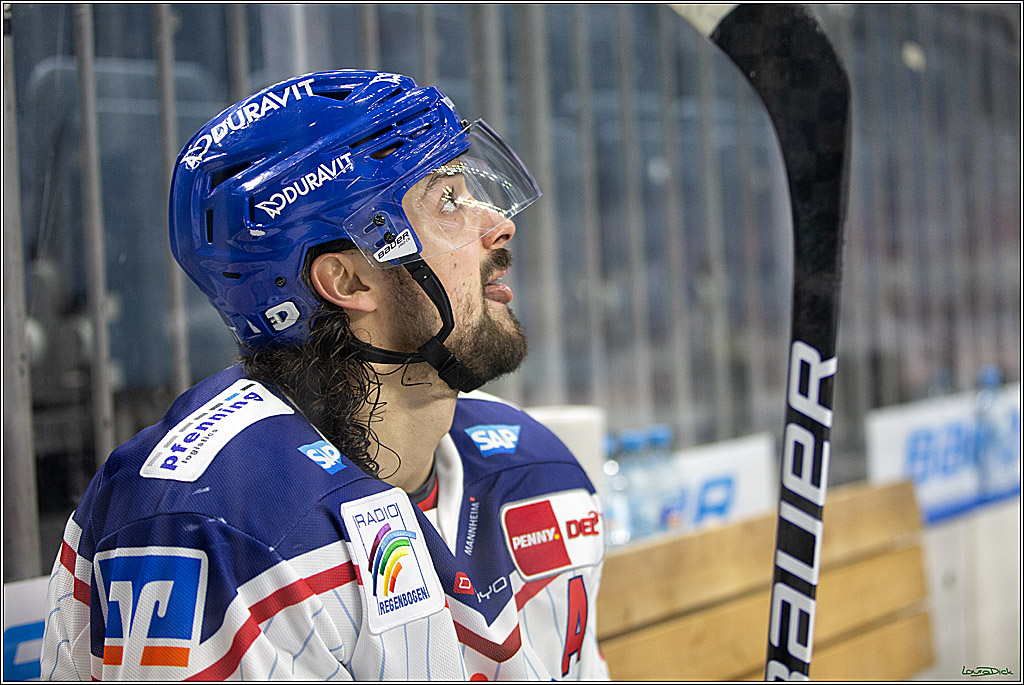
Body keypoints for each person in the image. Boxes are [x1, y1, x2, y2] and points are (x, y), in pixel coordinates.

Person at [39, 70, 608, 681]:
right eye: (448, 201)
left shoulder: (533, 471)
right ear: (349, 281)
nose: (497, 224)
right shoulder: (214, 525)